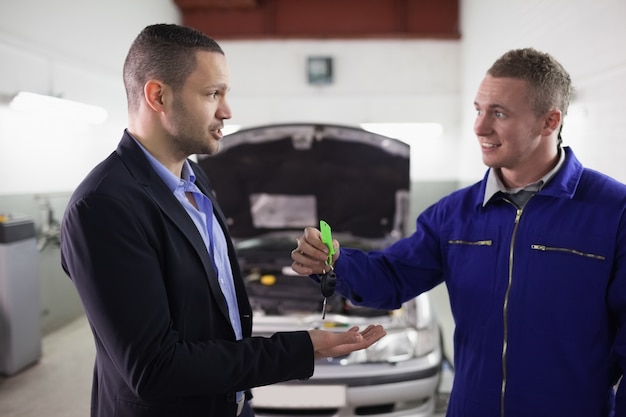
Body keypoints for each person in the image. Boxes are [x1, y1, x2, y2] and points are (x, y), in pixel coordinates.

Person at [60, 23, 385, 417]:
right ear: (158, 95)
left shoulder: (195, 181)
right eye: (213, 94)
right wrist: (303, 347)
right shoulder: (103, 207)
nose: (227, 111)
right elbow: (154, 369)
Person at [292, 47, 626, 417]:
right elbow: (390, 279)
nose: (480, 127)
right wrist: (333, 262)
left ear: (549, 122)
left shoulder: (614, 212)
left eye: (499, 113)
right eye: (479, 110)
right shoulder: (454, 214)